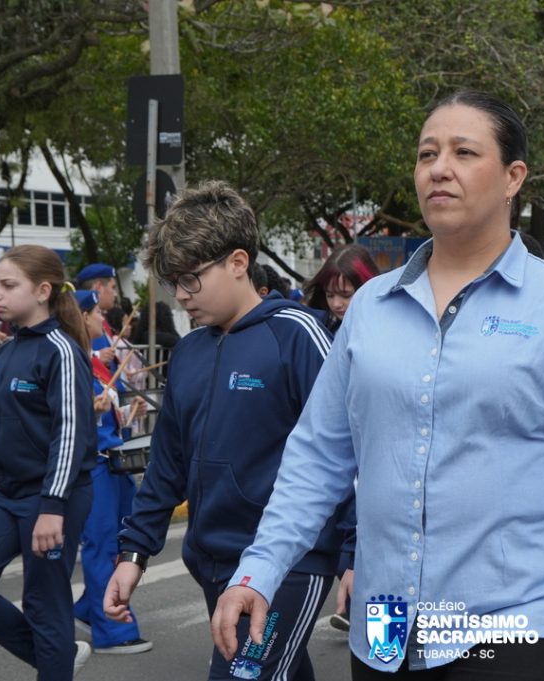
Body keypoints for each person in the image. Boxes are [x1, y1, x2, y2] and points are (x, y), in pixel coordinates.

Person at [211, 90, 544, 681]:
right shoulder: (372, 307)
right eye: (427, 153)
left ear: (513, 177)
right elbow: (318, 456)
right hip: (386, 623)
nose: (439, 168)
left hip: (520, 620)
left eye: (464, 152)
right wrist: (259, 571)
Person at [103, 181, 348, 681]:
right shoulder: (189, 351)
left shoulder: (298, 335)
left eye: (190, 279)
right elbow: (167, 463)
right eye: (172, 282)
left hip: (290, 566)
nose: (180, 295)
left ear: (238, 262)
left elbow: (345, 450)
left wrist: (353, 553)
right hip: (211, 561)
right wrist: (134, 554)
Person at [0, 245, 95, 679]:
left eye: (8, 285)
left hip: (52, 498)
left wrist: (52, 506)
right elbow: (3, 430)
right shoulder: (7, 351)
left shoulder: (61, 351)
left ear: (43, 291)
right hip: (5, 495)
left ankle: (55, 658)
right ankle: (58, 656)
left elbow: (70, 434)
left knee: (45, 606)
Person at [69, 289, 153, 656]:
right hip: (93, 465)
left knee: (125, 541)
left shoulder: (94, 362)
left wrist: (127, 412)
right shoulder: (69, 361)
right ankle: (112, 631)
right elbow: (62, 413)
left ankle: (90, 608)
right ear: (82, 318)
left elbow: (107, 414)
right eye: (95, 316)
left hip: (114, 461)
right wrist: (89, 408)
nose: (101, 322)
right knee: (102, 545)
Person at [303, 243, 380, 332]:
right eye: (330, 295)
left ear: (367, 287)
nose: (336, 304)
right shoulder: (322, 328)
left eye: (346, 295)